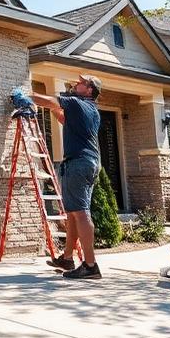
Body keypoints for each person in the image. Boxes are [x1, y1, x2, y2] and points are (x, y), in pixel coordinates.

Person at [30, 74, 103, 280]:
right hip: (88, 163)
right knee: (73, 213)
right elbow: (62, 117)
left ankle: (90, 266)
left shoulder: (76, 103)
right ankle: (68, 258)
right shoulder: (92, 110)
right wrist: (54, 108)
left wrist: (25, 95)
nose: (76, 84)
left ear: (89, 90)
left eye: (81, 83)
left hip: (78, 163)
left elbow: (49, 101)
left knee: (80, 212)